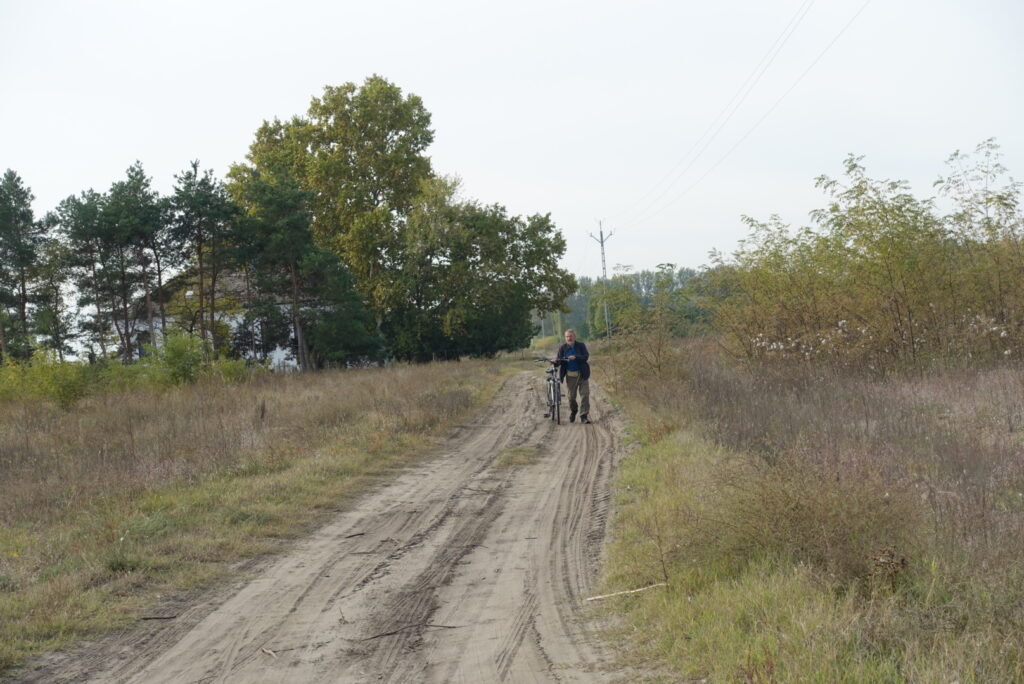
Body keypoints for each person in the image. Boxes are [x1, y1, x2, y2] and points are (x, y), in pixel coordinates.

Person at [554, 329, 591, 424]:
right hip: (570, 376)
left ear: (574, 336)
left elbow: (586, 357)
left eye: (570, 336)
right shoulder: (562, 348)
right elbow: (559, 360)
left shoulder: (581, 345)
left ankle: (584, 416)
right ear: (565, 338)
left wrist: (576, 357)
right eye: (567, 336)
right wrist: (555, 362)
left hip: (582, 375)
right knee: (571, 397)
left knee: (585, 395)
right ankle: (574, 411)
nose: (569, 338)